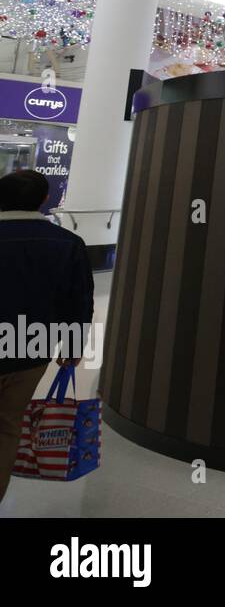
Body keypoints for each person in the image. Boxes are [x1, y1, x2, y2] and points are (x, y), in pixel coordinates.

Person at [0, 170, 95, 502]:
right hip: (30, 350)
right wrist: (71, 347)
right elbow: (78, 300)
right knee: (9, 425)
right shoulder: (68, 244)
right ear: (45, 200)